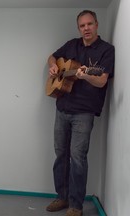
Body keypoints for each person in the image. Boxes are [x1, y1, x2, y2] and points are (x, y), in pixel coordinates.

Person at [45, 10, 115, 216]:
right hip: (62, 107)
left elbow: (102, 80)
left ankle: (76, 206)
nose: (86, 28)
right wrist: (52, 67)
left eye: (90, 24)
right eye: (82, 25)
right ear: (79, 28)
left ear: (96, 25)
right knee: (61, 155)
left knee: (77, 157)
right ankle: (61, 197)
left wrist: (86, 77)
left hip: (84, 112)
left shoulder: (106, 50)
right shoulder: (71, 44)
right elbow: (52, 57)